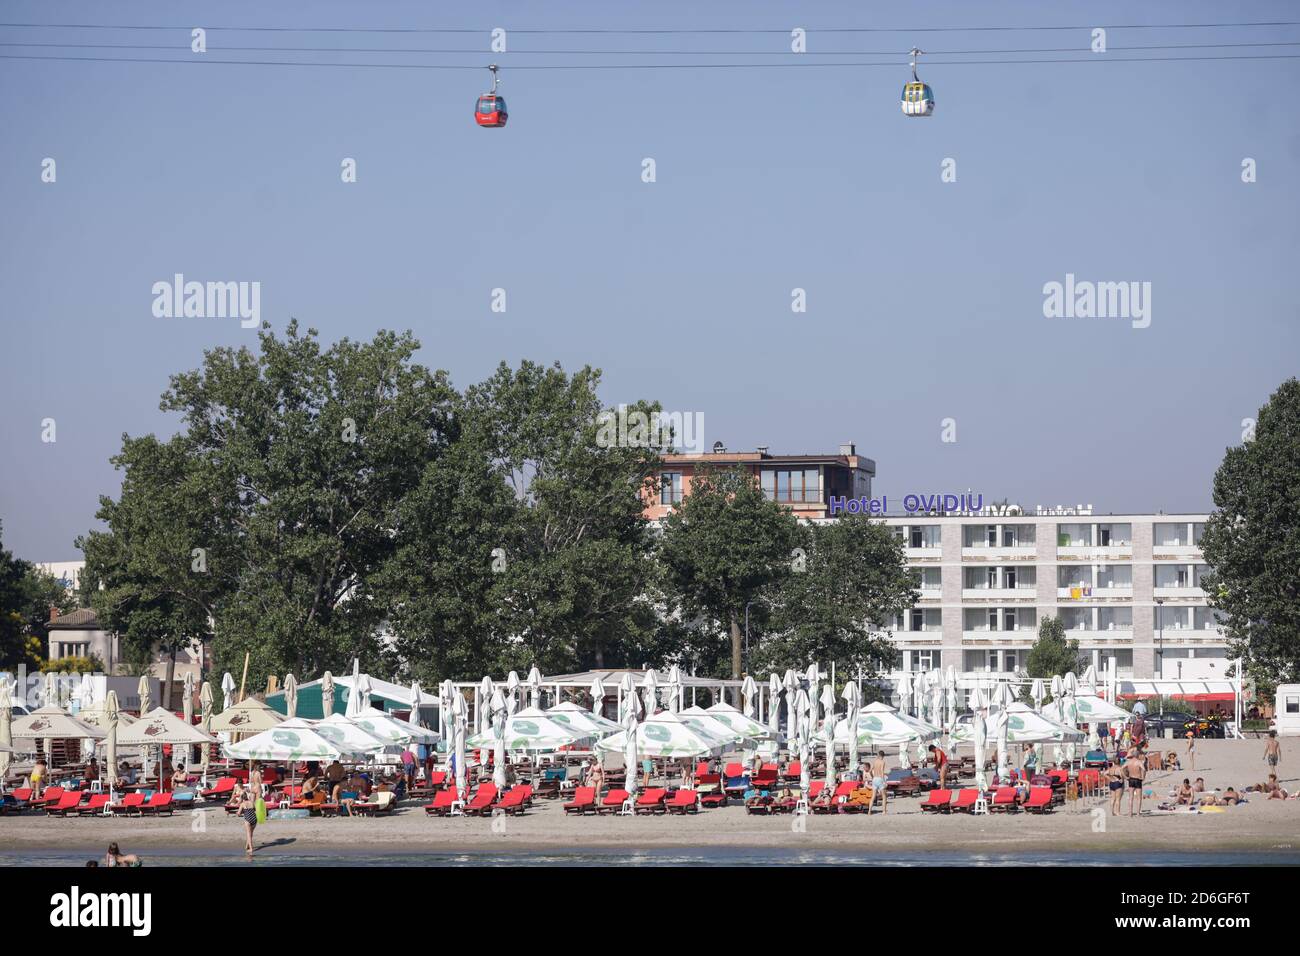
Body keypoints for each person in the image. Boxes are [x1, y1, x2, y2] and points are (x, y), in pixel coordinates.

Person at [1123, 749, 1146, 816]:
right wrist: (1143, 777)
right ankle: (1138, 813)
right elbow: (1144, 769)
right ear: (1138, 755)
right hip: (1138, 779)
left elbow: (1122, 768)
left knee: (1131, 797)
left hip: (1131, 779)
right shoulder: (1139, 762)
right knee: (1139, 797)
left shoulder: (1129, 762)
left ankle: (1130, 813)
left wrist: (1125, 776)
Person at [236, 786, 258, 854]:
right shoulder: (251, 802)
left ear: (242, 798)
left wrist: (238, 813)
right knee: (251, 833)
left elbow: (239, 814)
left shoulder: (242, 804)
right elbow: (255, 810)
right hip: (254, 819)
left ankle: (251, 849)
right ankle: (247, 846)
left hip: (248, 819)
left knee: (248, 834)